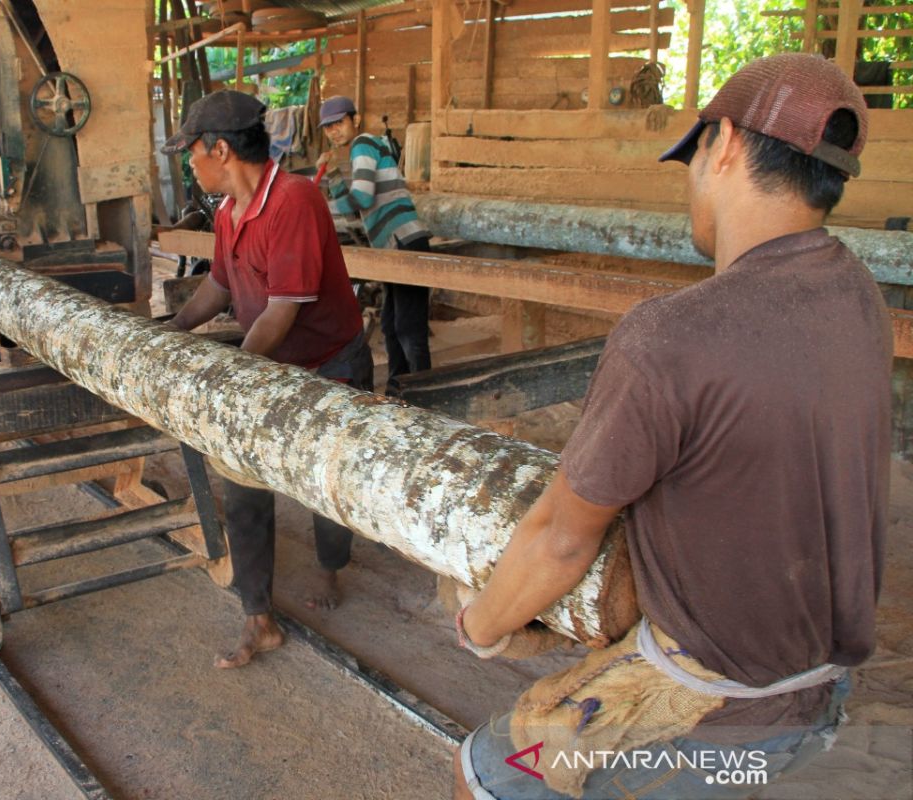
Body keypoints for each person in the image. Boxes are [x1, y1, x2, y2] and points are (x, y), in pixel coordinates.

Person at [452, 54, 889, 800]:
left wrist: (482, 625)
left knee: (482, 772)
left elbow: (560, 538)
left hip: (726, 718)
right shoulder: (859, 297)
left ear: (723, 145)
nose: (689, 181)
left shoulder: (669, 336)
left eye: (692, 159)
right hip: (826, 685)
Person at [162, 91, 373, 668]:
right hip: (271, 369)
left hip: (331, 364)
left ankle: (331, 570)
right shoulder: (230, 212)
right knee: (245, 488)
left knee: (328, 482)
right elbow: (222, 286)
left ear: (221, 149)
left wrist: (234, 371)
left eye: (191, 153)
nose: (190, 164)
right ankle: (258, 616)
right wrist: (171, 329)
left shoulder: (294, 201)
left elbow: (283, 308)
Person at [317, 95, 432, 395]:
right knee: (393, 324)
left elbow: (362, 200)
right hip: (393, 247)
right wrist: (331, 175)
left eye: (339, 123)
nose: (334, 131)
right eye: (328, 127)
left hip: (404, 241)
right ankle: (398, 391)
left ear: (354, 120)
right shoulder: (366, 147)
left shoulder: (363, 144)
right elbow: (351, 209)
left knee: (408, 328)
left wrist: (333, 184)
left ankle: (425, 395)